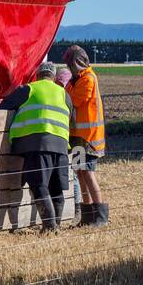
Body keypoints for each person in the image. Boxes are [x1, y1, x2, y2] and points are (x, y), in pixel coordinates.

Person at [0, 61, 75, 230]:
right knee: (56, 188)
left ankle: (49, 226)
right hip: (61, 145)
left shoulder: (29, 89)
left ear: (38, 75)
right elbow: (72, 117)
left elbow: (3, 107)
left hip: (37, 144)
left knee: (39, 185)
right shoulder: (64, 94)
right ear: (53, 77)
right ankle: (56, 226)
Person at [62, 45, 107, 226]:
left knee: (88, 173)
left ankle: (100, 216)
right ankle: (87, 216)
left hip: (89, 138)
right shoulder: (77, 80)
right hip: (78, 137)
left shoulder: (88, 79)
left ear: (76, 63)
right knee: (80, 173)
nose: (68, 69)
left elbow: (74, 101)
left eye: (70, 65)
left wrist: (68, 89)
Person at [53, 64, 84, 212]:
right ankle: (77, 207)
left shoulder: (67, 97)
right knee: (75, 173)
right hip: (72, 139)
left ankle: (77, 207)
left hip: (76, 140)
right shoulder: (69, 95)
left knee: (77, 173)